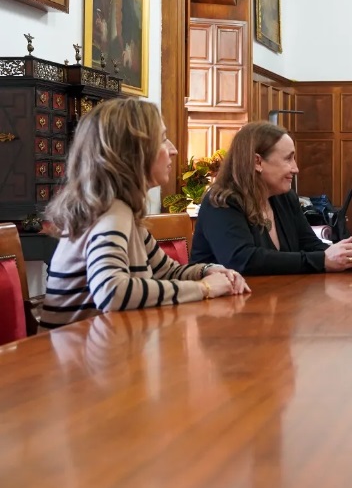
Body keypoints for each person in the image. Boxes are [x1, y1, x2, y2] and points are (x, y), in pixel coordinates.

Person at [39, 98, 249, 330]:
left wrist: (207, 271)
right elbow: (112, 292)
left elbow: (166, 272)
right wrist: (204, 288)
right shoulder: (111, 212)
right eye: (162, 139)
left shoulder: (121, 210)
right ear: (131, 152)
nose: (173, 150)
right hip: (72, 361)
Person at [191, 121, 352, 274]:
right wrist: (323, 260)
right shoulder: (222, 202)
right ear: (258, 162)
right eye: (288, 159)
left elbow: (309, 245)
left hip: (275, 303)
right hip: (221, 310)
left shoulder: (285, 198)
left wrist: (347, 255)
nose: (295, 168)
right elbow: (243, 260)